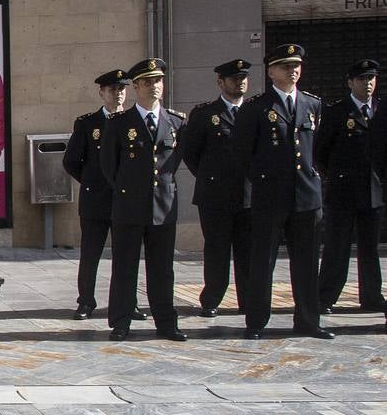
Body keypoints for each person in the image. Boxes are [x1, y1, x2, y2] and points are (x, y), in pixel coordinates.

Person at [231, 44, 332, 339]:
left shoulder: (312, 104)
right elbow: (241, 154)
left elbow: (321, 149)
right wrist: (263, 180)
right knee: (262, 262)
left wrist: (315, 178)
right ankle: (257, 321)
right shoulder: (256, 108)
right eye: (286, 66)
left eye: (296, 65)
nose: (293, 70)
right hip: (270, 196)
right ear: (271, 71)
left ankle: (308, 321)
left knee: (307, 262)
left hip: (306, 197)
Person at [99, 59, 187, 342]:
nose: (154, 86)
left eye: (158, 80)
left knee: (162, 270)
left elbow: (175, 162)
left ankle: (166, 322)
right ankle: (121, 321)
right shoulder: (120, 123)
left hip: (163, 205)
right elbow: (109, 166)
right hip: (129, 205)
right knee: (125, 267)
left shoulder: (176, 121)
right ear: (135, 87)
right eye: (147, 82)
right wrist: (128, 189)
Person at [182, 59, 253, 317]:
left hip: (248, 194)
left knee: (248, 251)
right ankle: (212, 298)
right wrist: (211, 177)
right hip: (215, 196)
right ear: (221, 82)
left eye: (243, 77)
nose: (240, 82)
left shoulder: (255, 110)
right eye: (234, 78)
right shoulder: (204, 114)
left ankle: (248, 299)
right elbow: (191, 153)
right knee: (217, 251)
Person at [316, 59, 383, 313]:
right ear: (350, 82)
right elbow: (320, 151)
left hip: (372, 191)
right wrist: (334, 176)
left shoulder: (380, 110)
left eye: (371, 79)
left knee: (370, 249)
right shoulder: (336, 112)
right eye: (362, 79)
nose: (368, 84)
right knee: (337, 246)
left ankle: (372, 296)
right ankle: (325, 297)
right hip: (343, 191)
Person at [64, 70, 132, 320]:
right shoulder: (87, 123)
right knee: (91, 253)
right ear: (101, 92)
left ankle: (127, 302)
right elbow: (71, 161)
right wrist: (92, 182)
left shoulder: (133, 121)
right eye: (113, 89)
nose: (118, 94)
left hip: (126, 200)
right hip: (96, 199)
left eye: (122, 89)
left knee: (126, 254)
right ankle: (86, 301)